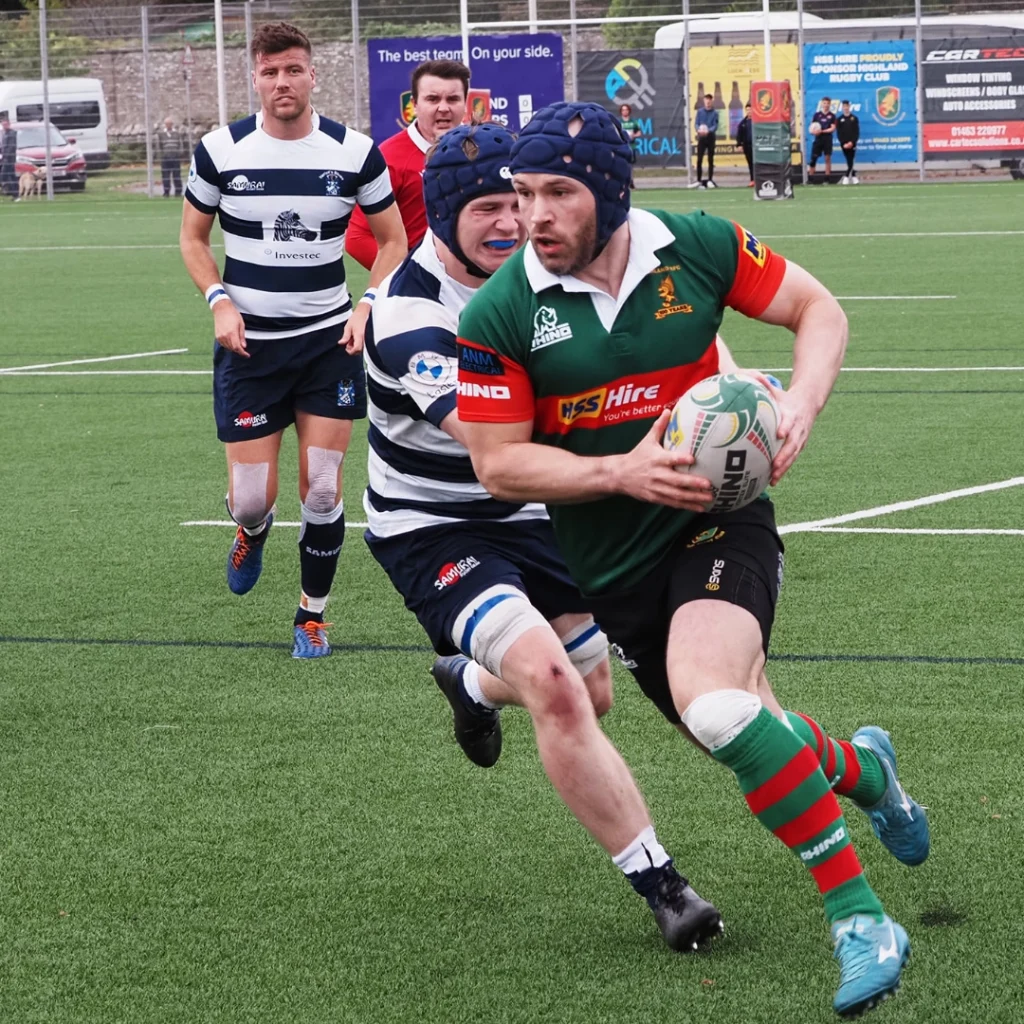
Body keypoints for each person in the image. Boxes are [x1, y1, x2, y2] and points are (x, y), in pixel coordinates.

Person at [455, 102, 930, 1017]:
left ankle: (860, 918)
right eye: (521, 194)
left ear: (607, 189)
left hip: (721, 525)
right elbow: (498, 464)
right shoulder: (501, 310)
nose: (531, 216)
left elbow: (816, 309)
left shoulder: (700, 245)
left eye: (556, 192)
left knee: (716, 701)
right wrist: (621, 469)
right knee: (752, 732)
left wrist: (798, 403)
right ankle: (867, 772)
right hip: (616, 572)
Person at [363, 120, 724, 954]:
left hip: (546, 513)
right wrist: (628, 447)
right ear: (444, 215)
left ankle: (472, 686)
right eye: (490, 206)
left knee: (588, 694)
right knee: (557, 687)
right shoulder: (407, 317)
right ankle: (662, 885)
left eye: (520, 203)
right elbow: (494, 445)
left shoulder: (551, 273)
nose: (512, 223)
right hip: (437, 525)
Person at [178, 21, 407, 657]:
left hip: (327, 345)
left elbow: (394, 242)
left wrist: (368, 305)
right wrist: (218, 300)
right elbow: (193, 240)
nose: (283, 81)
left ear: (313, 75)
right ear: (255, 77)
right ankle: (249, 530)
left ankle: (311, 615)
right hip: (248, 350)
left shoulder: (354, 152)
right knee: (256, 500)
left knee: (326, 489)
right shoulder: (219, 150)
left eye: (294, 70)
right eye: (271, 71)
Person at [346, 59, 469, 271]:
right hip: (420, 295)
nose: (443, 108)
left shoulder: (483, 151)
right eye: (432, 99)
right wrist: (411, 277)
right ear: (414, 105)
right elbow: (357, 238)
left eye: (453, 99)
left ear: (465, 103)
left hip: (476, 289)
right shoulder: (388, 159)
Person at [156, 116, 189, 197]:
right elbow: (159, 145)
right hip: (165, 158)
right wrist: (161, 155)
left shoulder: (177, 133)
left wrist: (179, 153)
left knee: (177, 175)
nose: (168, 125)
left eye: (170, 124)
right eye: (167, 124)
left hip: (175, 157)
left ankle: (178, 192)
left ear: (172, 124)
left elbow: (180, 144)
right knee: (165, 175)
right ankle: (166, 192)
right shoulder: (161, 134)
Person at [691, 93, 718, 189]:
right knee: (699, 160)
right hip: (701, 138)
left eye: (709, 100)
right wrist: (699, 130)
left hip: (710, 138)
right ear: (704, 101)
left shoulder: (715, 113)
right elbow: (696, 123)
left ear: (711, 101)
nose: (708, 102)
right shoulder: (700, 112)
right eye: (706, 100)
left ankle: (710, 180)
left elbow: (715, 125)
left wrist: (708, 130)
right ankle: (698, 180)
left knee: (710, 159)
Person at [809, 97, 837, 181]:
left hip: (827, 139)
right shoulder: (817, 115)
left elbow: (832, 128)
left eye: (828, 103)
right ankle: (810, 178)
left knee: (827, 157)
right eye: (824, 103)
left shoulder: (832, 116)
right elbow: (812, 127)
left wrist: (822, 131)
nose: (826, 105)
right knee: (814, 157)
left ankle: (827, 178)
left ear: (830, 104)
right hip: (818, 139)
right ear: (821, 104)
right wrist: (813, 131)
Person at [837, 100, 860, 185]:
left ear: (849, 107)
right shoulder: (839, 119)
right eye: (844, 106)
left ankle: (846, 176)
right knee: (848, 160)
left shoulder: (854, 118)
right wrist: (844, 143)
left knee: (851, 159)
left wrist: (852, 142)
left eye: (847, 106)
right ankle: (853, 176)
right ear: (842, 108)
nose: (846, 108)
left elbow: (856, 132)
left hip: (852, 143)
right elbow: (839, 133)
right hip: (844, 144)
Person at [735, 102, 754, 186]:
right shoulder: (743, 123)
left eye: (750, 109)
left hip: (756, 146)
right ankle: (752, 180)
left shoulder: (758, 122)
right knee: (750, 163)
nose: (749, 111)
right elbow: (739, 135)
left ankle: (760, 179)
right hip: (747, 146)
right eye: (747, 110)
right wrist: (739, 144)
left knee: (757, 164)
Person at [1, 118, 18, 200]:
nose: (4, 126)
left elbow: (11, 147)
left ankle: (10, 191)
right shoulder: (5, 133)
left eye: (5, 124)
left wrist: (5, 157)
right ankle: (16, 196)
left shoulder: (11, 134)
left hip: (9, 159)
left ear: (9, 124)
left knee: (4, 176)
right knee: (11, 176)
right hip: (6, 159)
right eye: (3, 124)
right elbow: (3, 147)